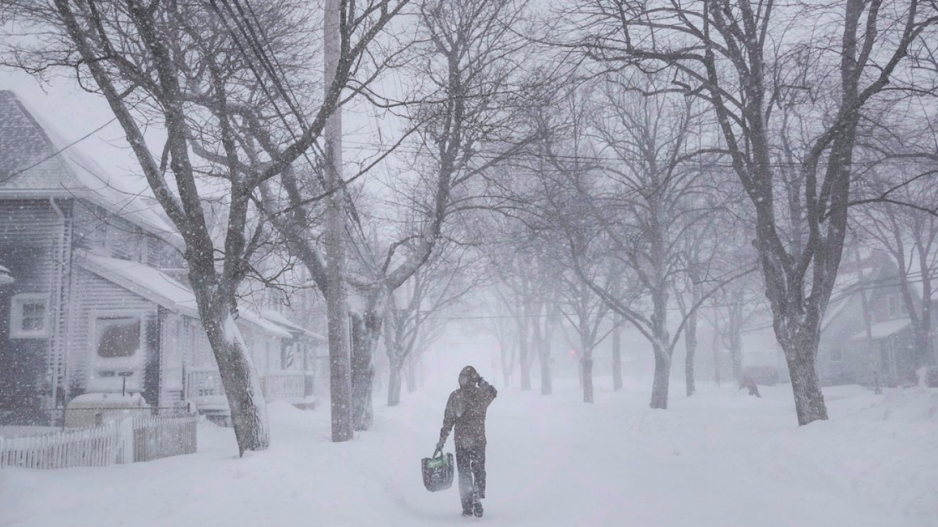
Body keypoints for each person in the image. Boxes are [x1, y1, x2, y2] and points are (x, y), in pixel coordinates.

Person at [436, 365, 497, 518]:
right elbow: (493, 392)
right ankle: (477, 492)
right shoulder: (481, 395)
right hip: (478, 440)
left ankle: (467, 506)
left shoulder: (455, 396)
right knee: (479, 470)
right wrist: (481, 381)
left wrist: (442, 440)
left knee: (464, 474)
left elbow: (448, 420)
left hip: (461, 441)